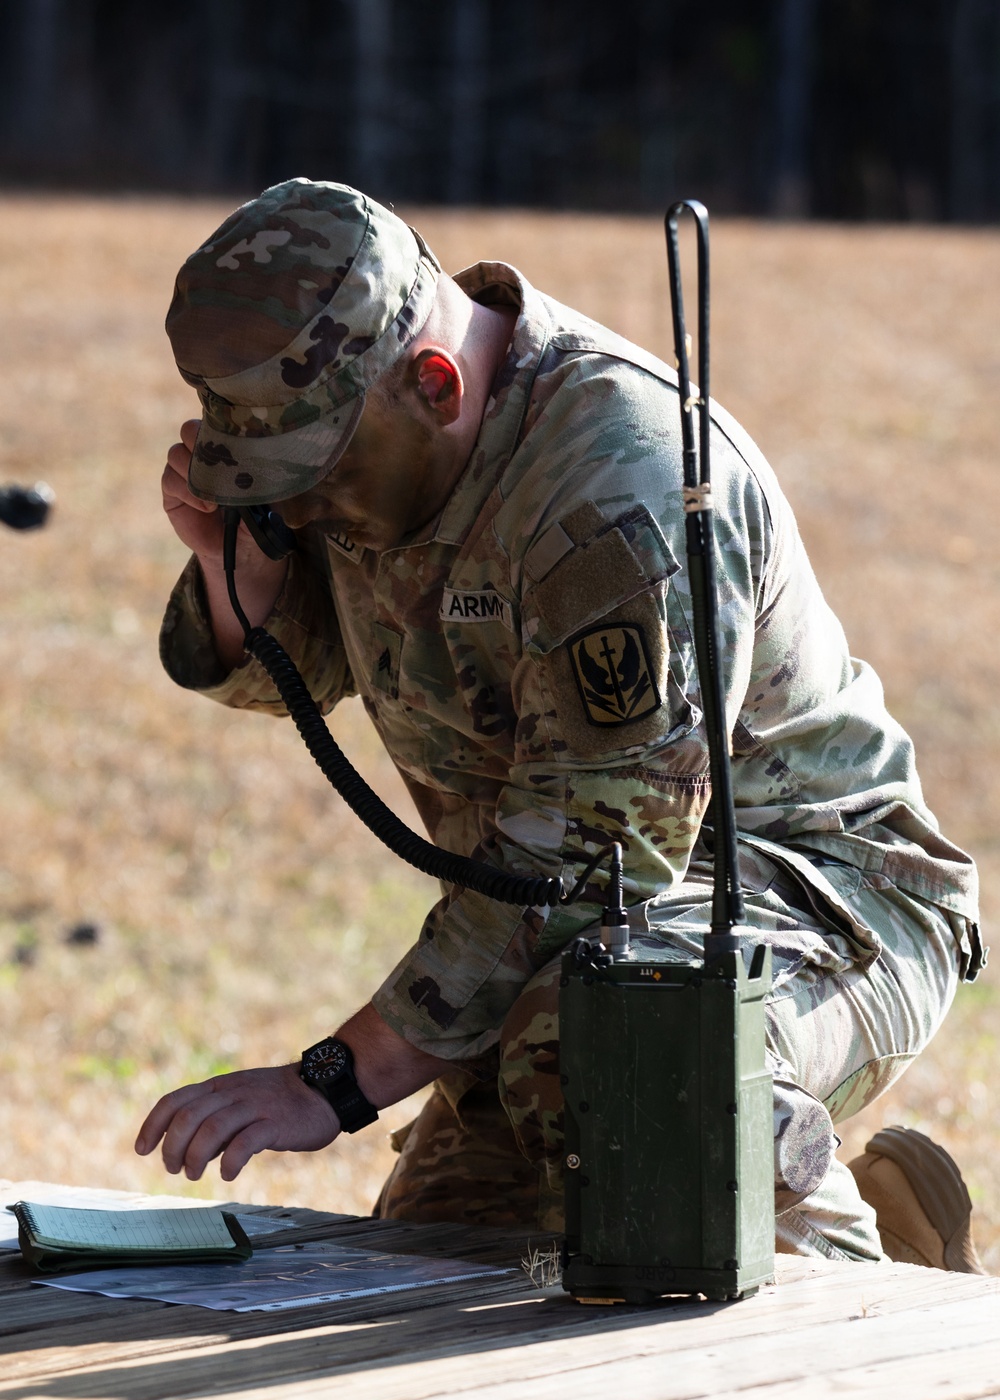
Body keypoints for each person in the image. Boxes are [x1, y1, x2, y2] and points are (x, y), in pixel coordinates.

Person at [136, 179, 985, 1271]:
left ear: (435, 384)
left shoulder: (618, 486)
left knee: (627, 1064)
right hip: (571, 944)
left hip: (817, 900)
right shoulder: (373, 438)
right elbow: (303, 674)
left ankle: (863, 1308)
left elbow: (597, 849)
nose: (303, 515)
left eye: (318, 483)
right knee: (439, 1269)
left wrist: (333, 1082)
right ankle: (860, 1223)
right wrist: (231, 569)